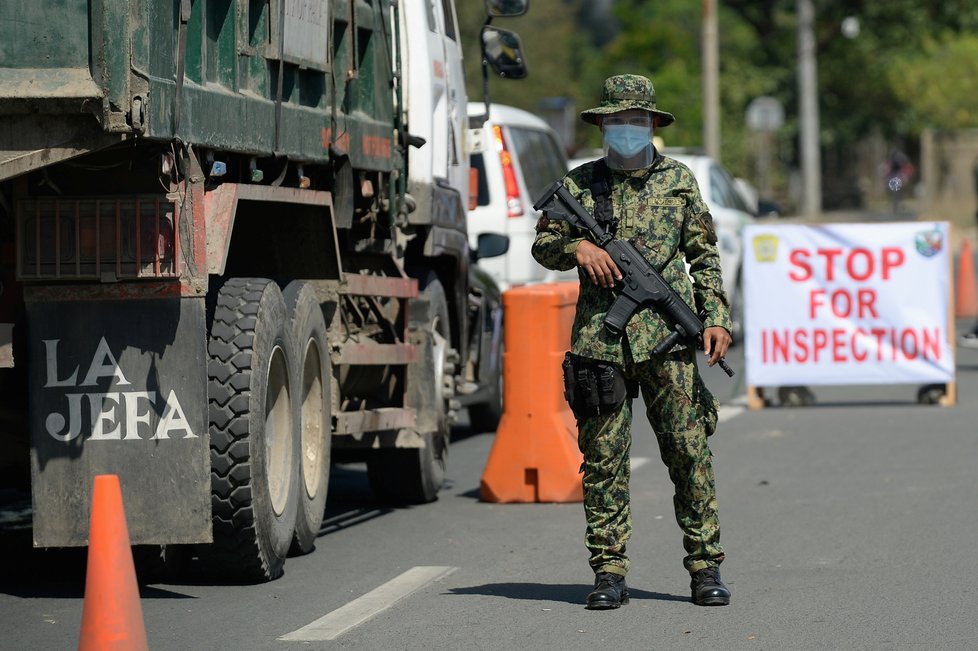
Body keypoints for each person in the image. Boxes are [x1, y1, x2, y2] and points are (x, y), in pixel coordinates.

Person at [531, 74, 732, 609]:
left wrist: (715, 318)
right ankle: (609, 571)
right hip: (602, 342)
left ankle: (705, 566)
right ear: (602, 125)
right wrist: (578, 249)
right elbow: (543, 245)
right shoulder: (579, 185)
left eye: (636, 121)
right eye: (617, 121)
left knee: (690, 454)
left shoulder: (679, 182)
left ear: (651, 126)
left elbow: (704, 257)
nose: (626, 130)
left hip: (668, 343)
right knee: (602, 461)